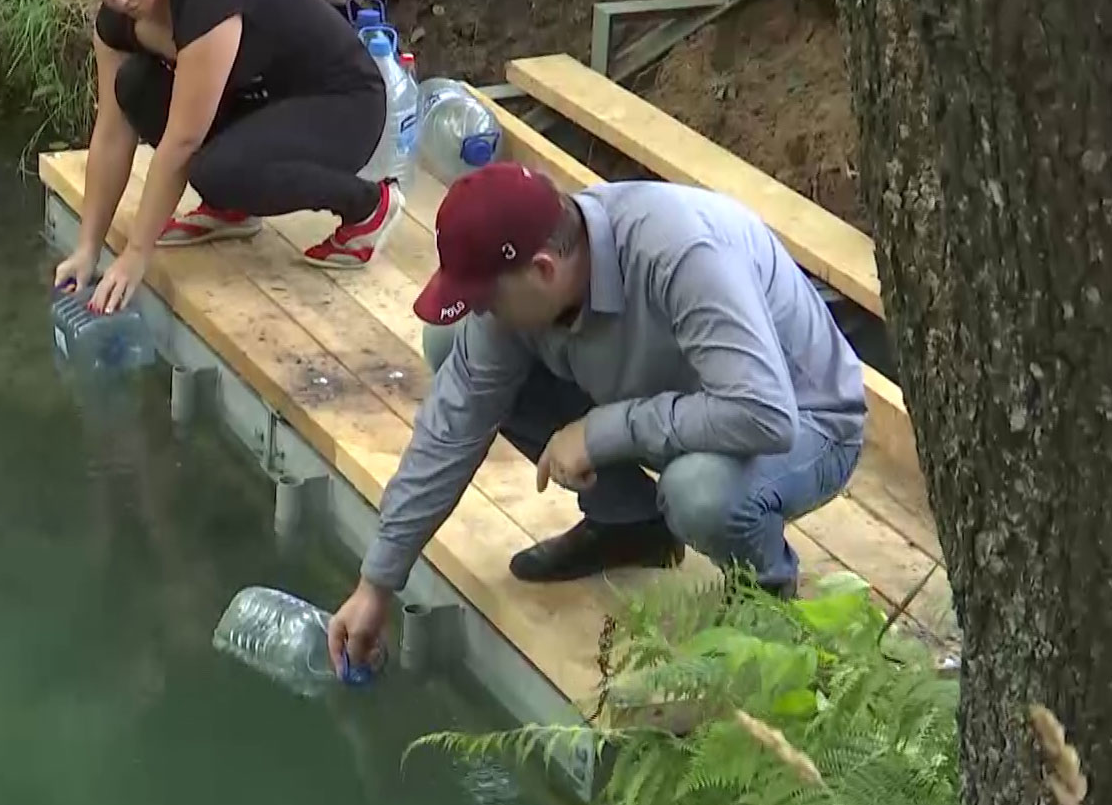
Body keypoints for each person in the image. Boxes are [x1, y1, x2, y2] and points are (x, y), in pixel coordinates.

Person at [327, 162, 868, 674]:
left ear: (542, 269)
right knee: (452, 345)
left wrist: (602, 432)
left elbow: (762, 413)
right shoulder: (536, 277)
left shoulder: (680, 253)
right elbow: (452, 425)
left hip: (805, 422)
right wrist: (377, 582)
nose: (481, 310)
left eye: (485, 298)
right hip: (680, 405)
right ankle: (628, 526)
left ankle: (768, 605)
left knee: (698, 492)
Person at [51, 0, 408, 314]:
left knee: (215, 168)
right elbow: (110, 131)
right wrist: (88, 247)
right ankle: (231, 209)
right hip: (263, 100)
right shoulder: (115, 24)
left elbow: (182, 141)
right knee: (135, 86)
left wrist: (135, 255)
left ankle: (368, 205)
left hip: (342, 105)